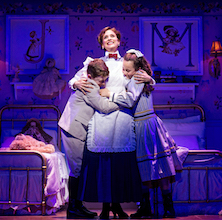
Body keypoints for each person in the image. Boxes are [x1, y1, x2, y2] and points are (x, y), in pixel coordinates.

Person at [71, 27, 152, 219]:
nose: (109, 39)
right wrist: (75, 84)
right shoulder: (94, 63)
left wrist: (152, 80)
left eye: (112, 36)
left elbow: (144, 77)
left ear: (118, 40)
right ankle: (106, 205)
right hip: (101, 113)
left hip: (122, 113)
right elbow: (75, 79)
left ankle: (117, 205)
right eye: (105, 37)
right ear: (101, 43)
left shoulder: (128, 61)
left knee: (119, 162)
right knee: (103, 161)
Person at [100, 49, 186, 218]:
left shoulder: (138, 77)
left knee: (157, 166)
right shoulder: (138, 77)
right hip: (141, 123)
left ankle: (165, 207)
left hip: (145, 124)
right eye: (123, 69)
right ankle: (149, 207)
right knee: (146, 167)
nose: (125, 73)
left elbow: (130, 99)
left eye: (127, 70)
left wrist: (110, 94)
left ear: (137, 68)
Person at [58, 58, 119, 219]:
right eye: (101, 79)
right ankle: (73, 208)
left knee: (79, 168)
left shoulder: (89, 83)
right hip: (74, 128)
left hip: (75, 127)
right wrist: (122, 102)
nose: (103, 83)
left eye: (105, 79)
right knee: (76, 169)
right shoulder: (90, 85)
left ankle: (78, 205)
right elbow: (103, 107)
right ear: (92, 76)